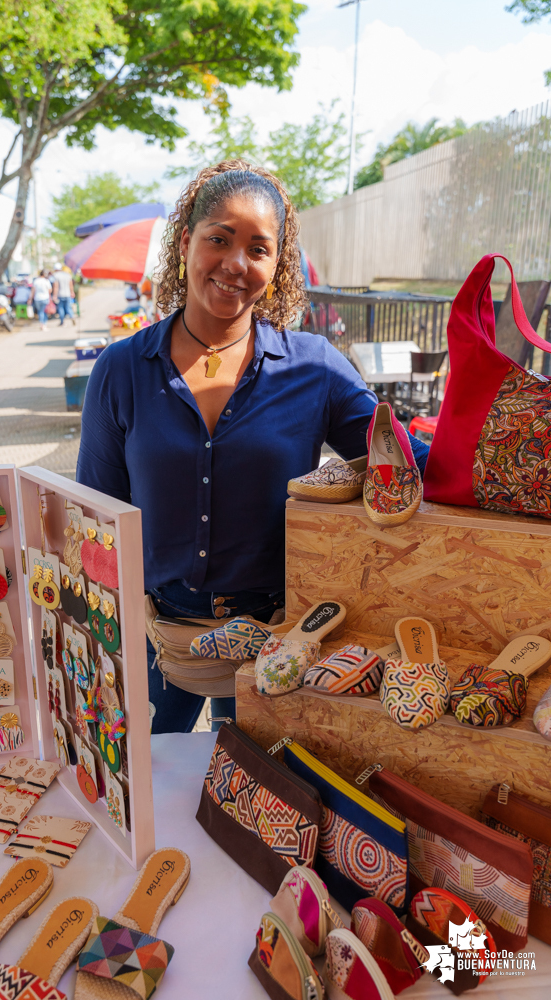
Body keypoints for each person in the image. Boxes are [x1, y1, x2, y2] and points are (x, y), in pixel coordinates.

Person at [76, 160, 429, 734]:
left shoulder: (314, 369)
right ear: (186, 241)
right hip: (157, 637)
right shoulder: (122, 370)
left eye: (258, 249)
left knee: (249, 803)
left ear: (277, 264)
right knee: (144, 785)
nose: (236, 264)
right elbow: (97, 513)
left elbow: (402, 464)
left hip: (277, 644)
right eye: (219, 239)